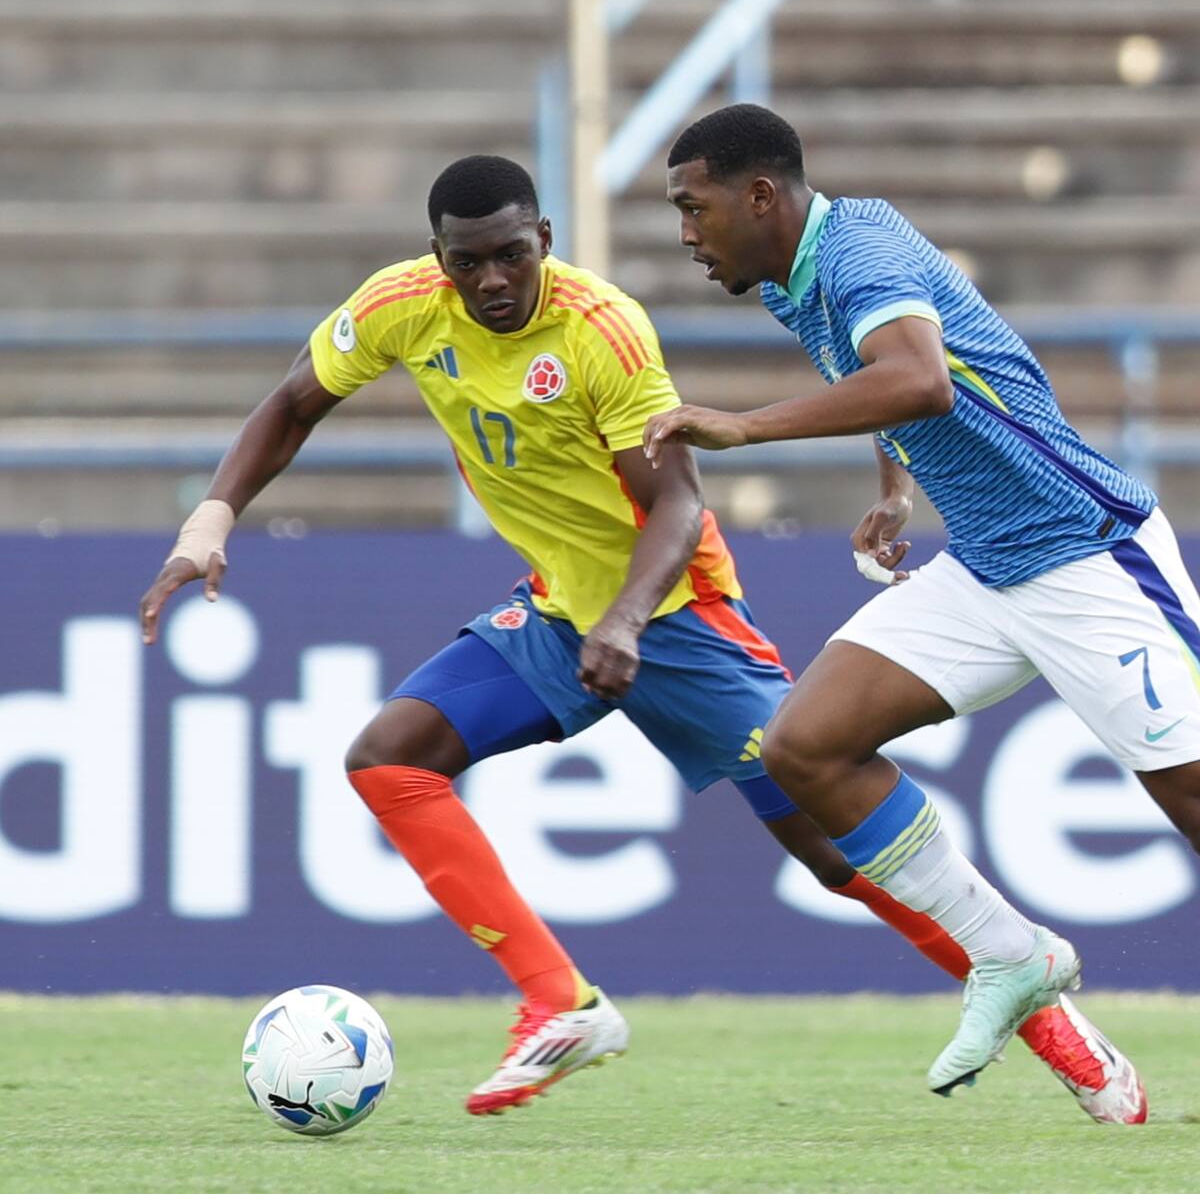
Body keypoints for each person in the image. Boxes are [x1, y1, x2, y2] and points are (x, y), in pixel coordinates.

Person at [140, 155, 1136, 1122]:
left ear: (544, 240)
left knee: (836, 857)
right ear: (436, 256)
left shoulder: (602, 332)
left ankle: (1067, 1040)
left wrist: (625, 619)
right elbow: (293, 401)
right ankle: (559, 1003)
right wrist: (213, 518)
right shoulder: (402, 305)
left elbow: (676, 505)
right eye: (466, 261)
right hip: (561, 611)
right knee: (389, 759)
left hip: (677, 616)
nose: (490, 280)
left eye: (509, 256)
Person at [644, 102, 1189, 1116]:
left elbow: (922, 380)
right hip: (984, 569)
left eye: (692, 206)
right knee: (803, 744)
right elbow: (893, 382)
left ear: (759, 196)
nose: (685, 233)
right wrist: (896, 492)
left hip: (1086, 555)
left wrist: (744, 428)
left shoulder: (856, 250)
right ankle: (1009, 954)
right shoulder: (796, 275)